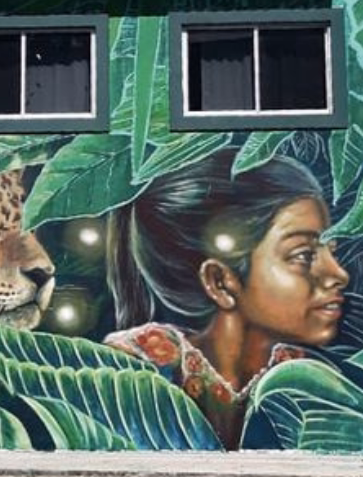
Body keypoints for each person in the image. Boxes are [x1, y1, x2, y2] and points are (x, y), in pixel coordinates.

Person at [102, 151, 349, 450]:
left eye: (331, 251)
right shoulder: (137, 369)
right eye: (303, 255)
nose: (338, 274)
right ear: (221, 282)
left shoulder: (309, 382)